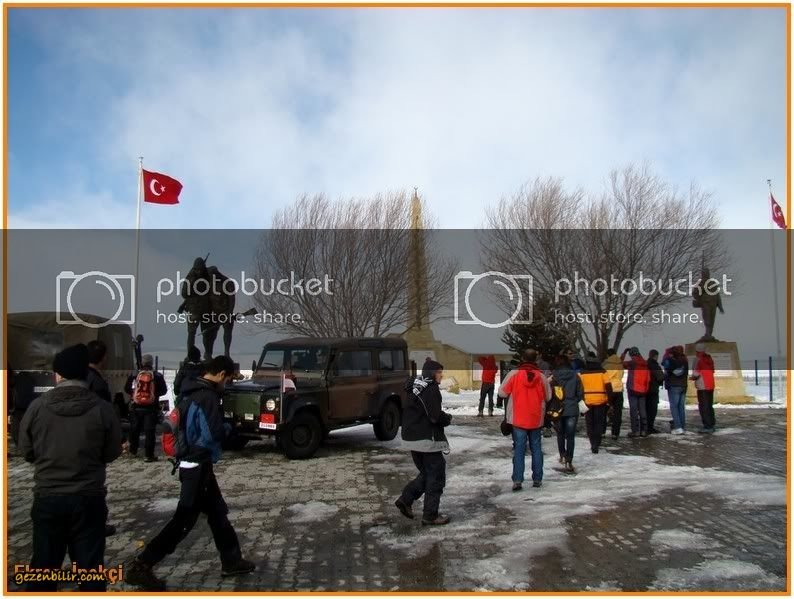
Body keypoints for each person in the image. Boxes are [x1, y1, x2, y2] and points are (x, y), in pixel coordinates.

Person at [126, 356, 255, 590]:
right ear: (221, 374)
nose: (226, 384)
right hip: (197, 465)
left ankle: (232, 560)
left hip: (192, 462)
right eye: (227, 379)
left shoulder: (189, 390)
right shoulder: (207, 397)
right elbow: (212, 434)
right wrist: (231, 427)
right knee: (183, 521)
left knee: (217, 513)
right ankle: (142, 564)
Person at [18, 344, 122, 592]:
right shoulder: (102, 409)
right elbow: (112, 452)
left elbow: (26, 450)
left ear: (58, 375)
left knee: (43, 568)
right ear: (85, 373)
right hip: (88, 497)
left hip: (48, 496)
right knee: (90, 570)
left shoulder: (37, 407)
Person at [395, 359, 452, 526]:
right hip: (427, 440)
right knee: (436, 476)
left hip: (411, 439)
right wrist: (447, 418)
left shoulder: (415, 387)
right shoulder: (431, 389)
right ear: (432, 374)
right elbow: (434, 416)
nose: (441, 375)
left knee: (428, 474)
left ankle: (406, 499)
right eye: (439, 372)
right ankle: (430, 515)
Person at [498, 349, 551, 491]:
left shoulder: (514, 374)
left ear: (522, 358)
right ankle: (537, 479)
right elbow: (548, 396)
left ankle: (517, 480)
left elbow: (502, 392)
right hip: (536, 418)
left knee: (519, 449)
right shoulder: (541, 377)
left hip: (518, 418)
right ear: (536, 359)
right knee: (536, 448)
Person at [125, 354, 168, 462]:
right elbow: (164, 390)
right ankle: (149, 455)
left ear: (142, 363)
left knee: (135, 429)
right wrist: (153, 394)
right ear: (151, 363)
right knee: (150, 431)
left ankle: (133, 451)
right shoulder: (157, 375)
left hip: (136, 407)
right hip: (151, 407)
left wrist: (135, 394)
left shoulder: (135, 374)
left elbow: (126, 388)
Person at [550, 354, 583, 472]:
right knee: (570, 436)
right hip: (572, 408)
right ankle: (569, 459)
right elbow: (580, 394)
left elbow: (549, 394)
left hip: (557, 409)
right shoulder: (575, 376)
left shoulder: (554, 377)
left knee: (560, 434)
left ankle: (562, 455)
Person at [579, 356, 612, 454]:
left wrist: (580, 400)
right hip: (601, 401)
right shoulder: (603, 372)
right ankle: (596, 443)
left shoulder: (582, 373)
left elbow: (579, 388)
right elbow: (608, 387)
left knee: (589, 423)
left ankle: (592, 442)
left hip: (587, 401)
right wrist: (610, 401)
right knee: (599, 423)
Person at [662, 346, 689, 434]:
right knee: (681, 407)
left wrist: (666, 356)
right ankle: (682, 426)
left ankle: (678, 427)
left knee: (674, 407)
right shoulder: (685, 360)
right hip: (683, 385)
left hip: (674, 386)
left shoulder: (671, 361)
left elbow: (664, 364)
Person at [691, 343, 716, 433]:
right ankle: (712, 423)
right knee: (709, 405)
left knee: (703, 406)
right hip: (710, 384)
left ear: (697, 350)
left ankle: (707, 426)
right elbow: (713, 370)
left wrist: (692, 378)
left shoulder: (698, 359)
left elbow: (696, 373)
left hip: (702, 385)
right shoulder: (709, 358)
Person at [602, 348, 625, 440]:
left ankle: (602, 432)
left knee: (604, 411)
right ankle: (615, 433)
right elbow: (621, 375)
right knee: (617, 413)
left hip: (608, 389)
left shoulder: (605, 364)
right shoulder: (620, 364)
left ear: (608, 355)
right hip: (618, 389)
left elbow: (603, 376)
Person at [646, 349, 665, 434]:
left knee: (645, 409)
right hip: (653, 390)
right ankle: (650, 427)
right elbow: (660, 377)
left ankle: (644, 426)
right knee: (652, 410)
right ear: (656, 356)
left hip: (644, 389)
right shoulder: (655, 366)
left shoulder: (645, 364)